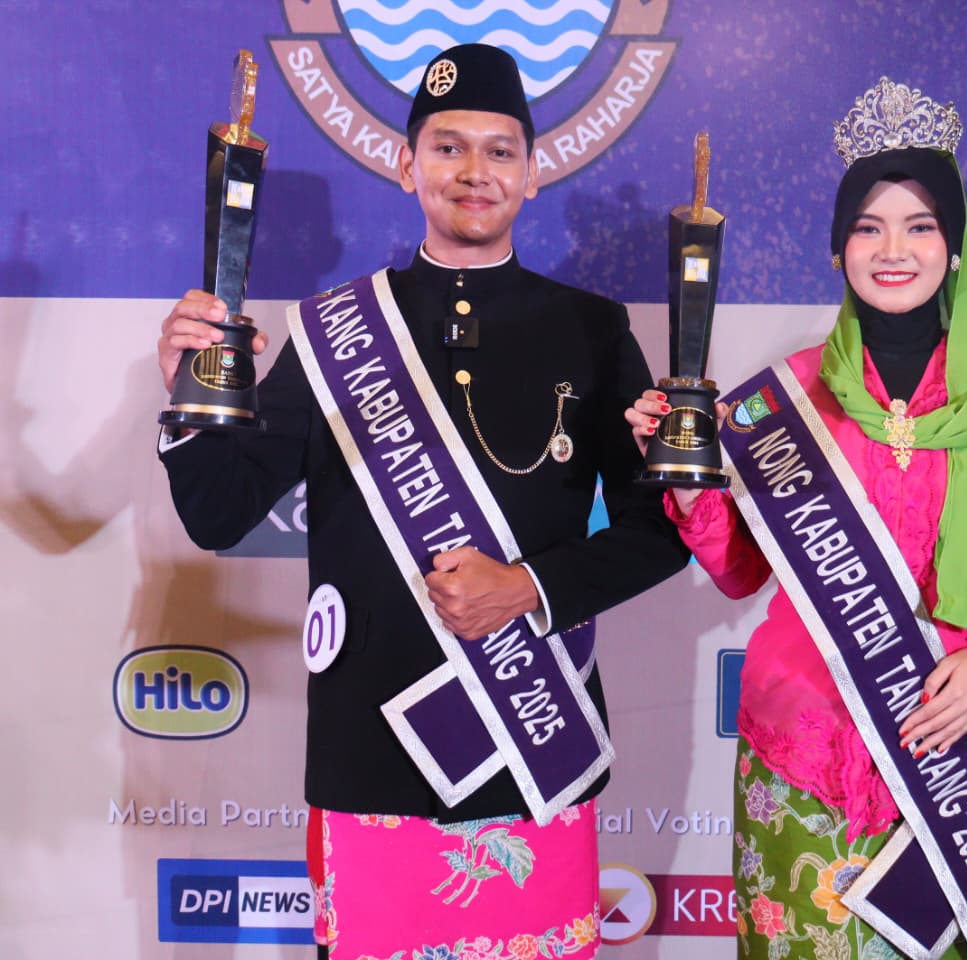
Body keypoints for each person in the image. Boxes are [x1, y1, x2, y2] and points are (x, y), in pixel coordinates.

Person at [157, 43, 688, 960]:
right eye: (447, 147)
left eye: (499, 150)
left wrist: (526, 589)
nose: (474, 170)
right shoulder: (333, 332)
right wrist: (187, 399)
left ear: (532, 172)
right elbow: (219, 512)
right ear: (407, 166)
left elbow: (660, 531)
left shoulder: (592, 330)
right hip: (370, 755)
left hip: (532, 749)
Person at [628, 78, 967, 958]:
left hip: (942, 753)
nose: (893, 249)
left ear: (955, 249)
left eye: (921, 226)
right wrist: (686, 480)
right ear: (840, 251)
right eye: (869, 228)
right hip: (797, 758)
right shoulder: (786, 398)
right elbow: (741, 570)